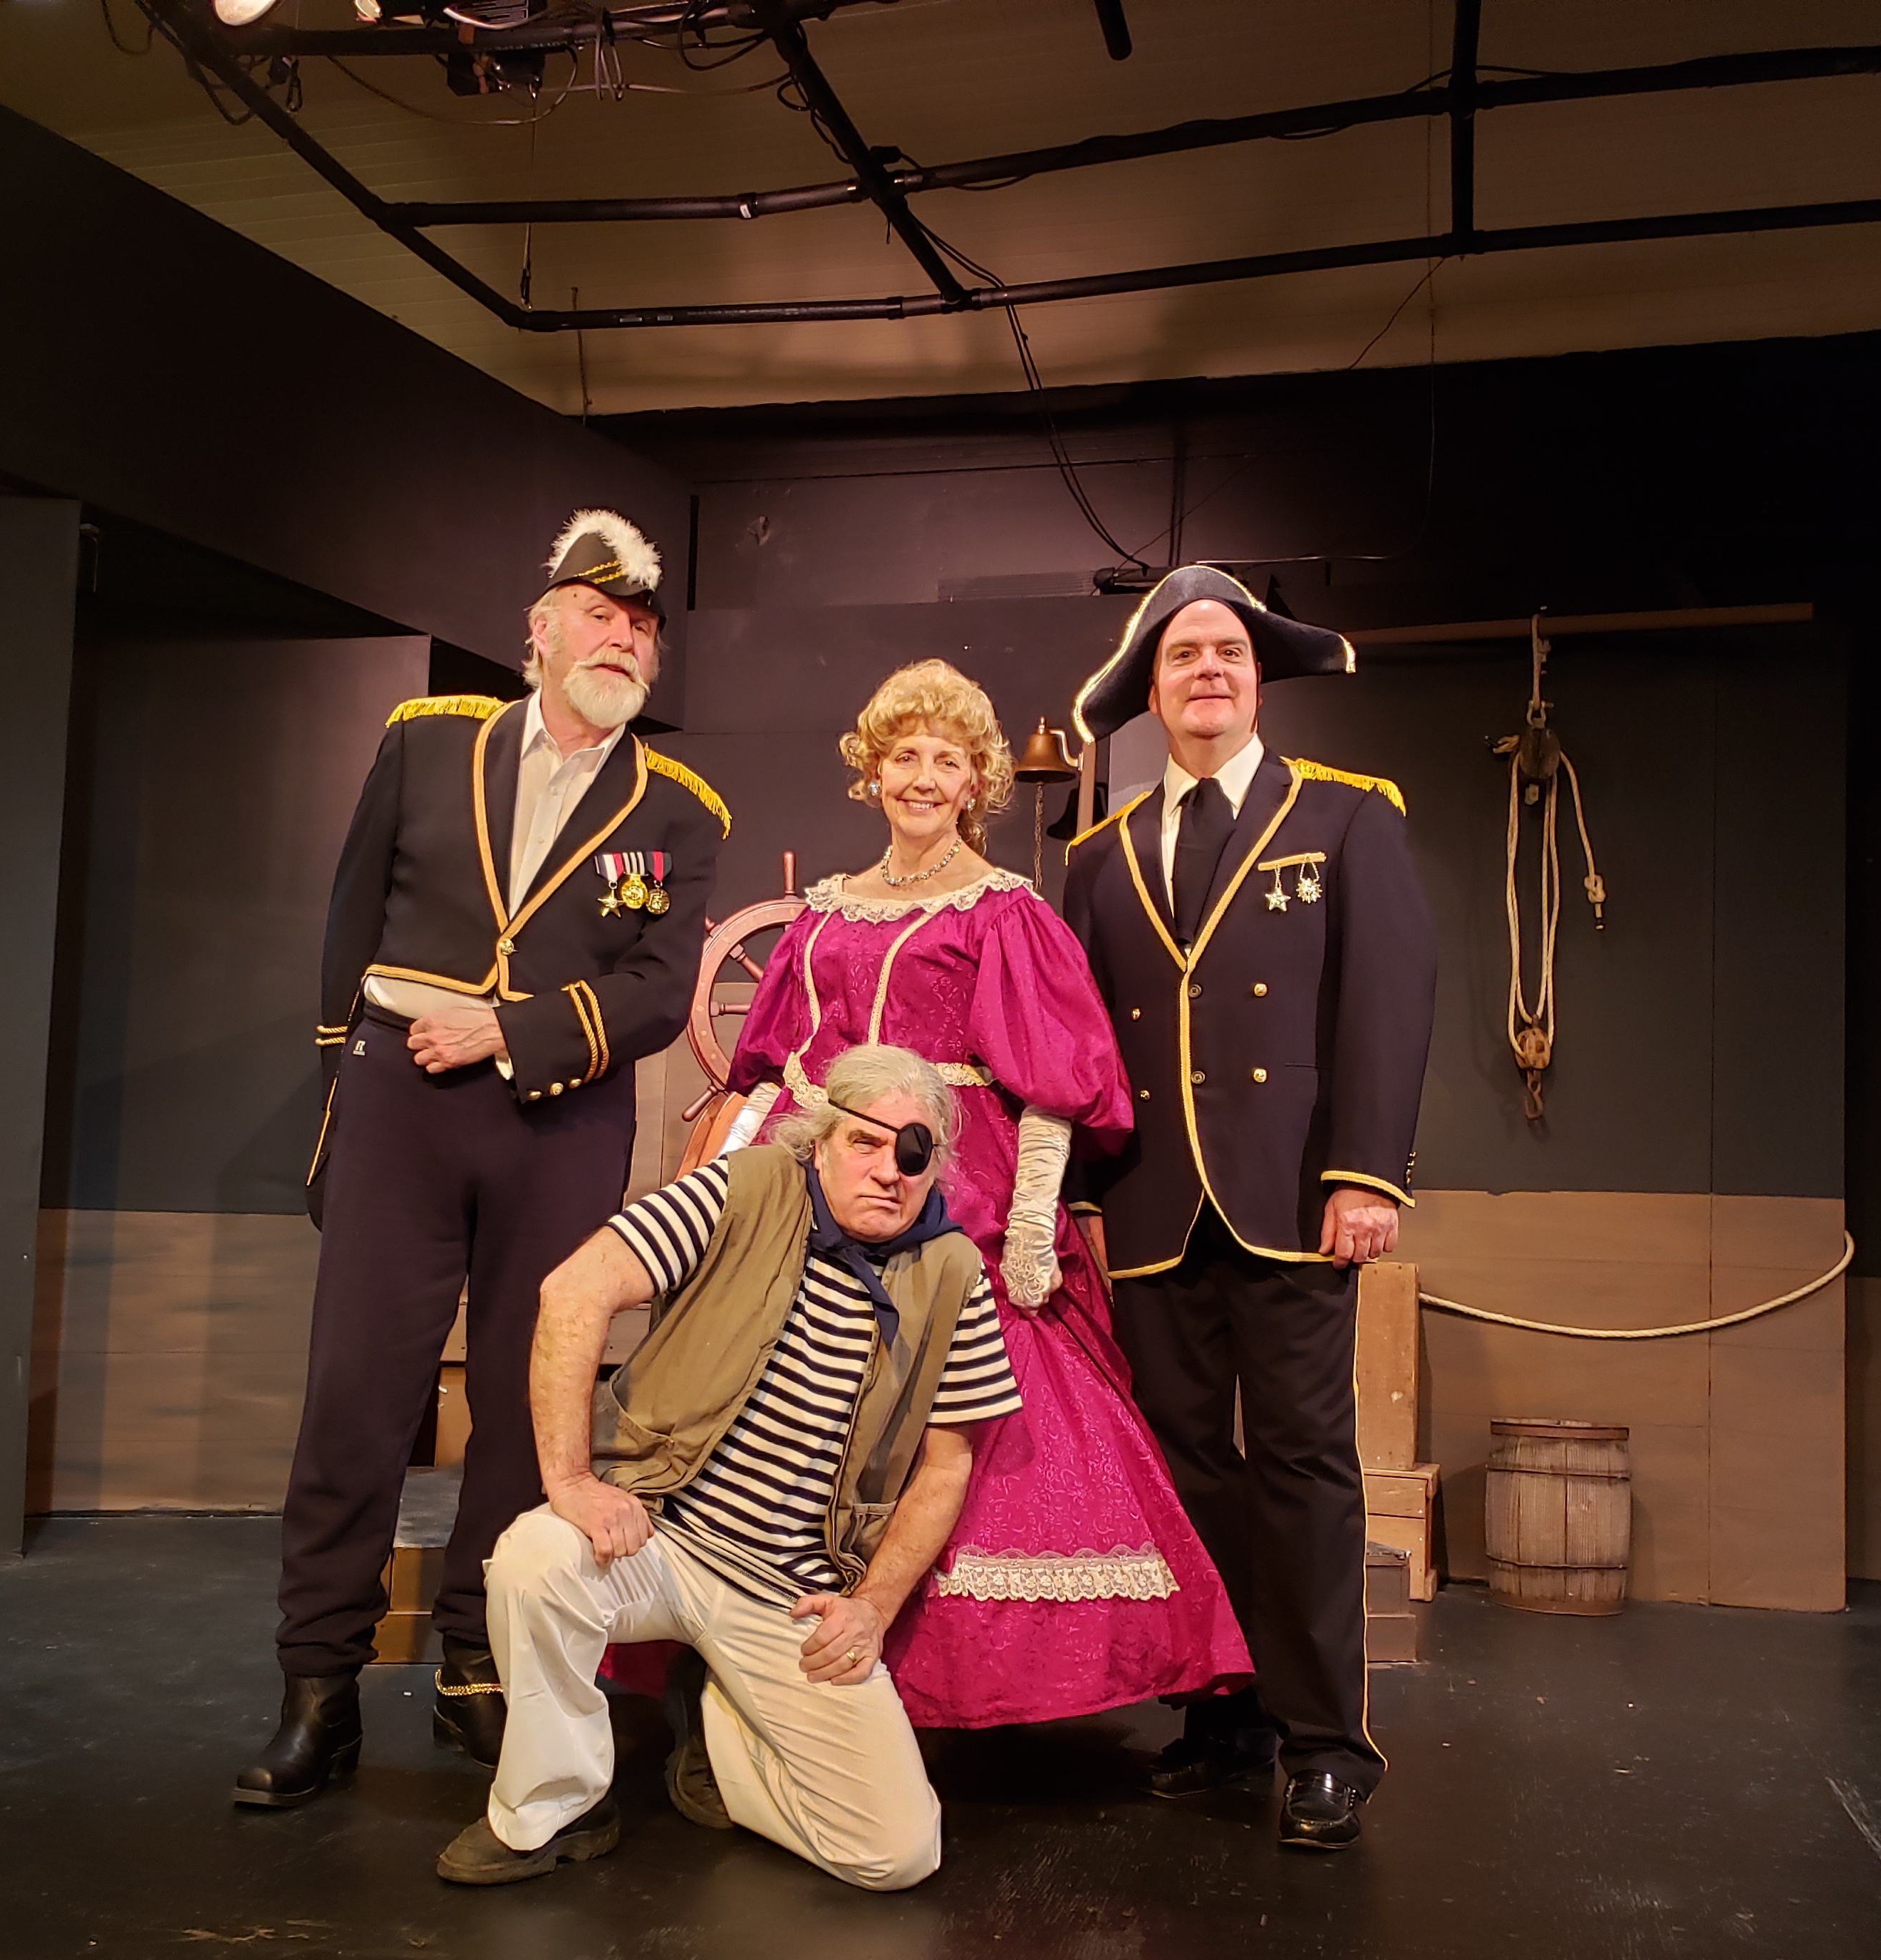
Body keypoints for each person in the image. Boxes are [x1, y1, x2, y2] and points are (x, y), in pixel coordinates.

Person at [235, 509, 731, 1807]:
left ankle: (478, 1658)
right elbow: (349, 924)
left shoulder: (678, 810)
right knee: (357, 1395)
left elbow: (657, 986)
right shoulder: (427, 740)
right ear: (540, 628)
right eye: (599, 614)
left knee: (528, 1398)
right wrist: (344, 1102)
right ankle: (318, 1685)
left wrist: (510, 1030)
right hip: (400, 1101)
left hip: (560, 1117)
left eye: (643, 627)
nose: (622, 638)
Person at [706, 660, 1247, 1728]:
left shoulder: (1004, 912)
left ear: (975, 784)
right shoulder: (822, 913)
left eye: (946, 761)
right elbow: (772, 1073)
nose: (923, 777)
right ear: (872, 772)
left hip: (957, 1182)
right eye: (904, 755)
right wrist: (732, 1186)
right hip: (822, 1180)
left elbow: (1052, 1083)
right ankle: (765, 1637)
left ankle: (953, 1671)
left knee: (972, 1410)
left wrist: (1033, 1223)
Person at [437, 1046, 1017, 1889]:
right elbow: (574, 1291)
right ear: (821, 1140)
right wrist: (570, 1482)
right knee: (534, 1561)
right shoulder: (745, 1187)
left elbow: (946, 1465)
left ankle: (719, 1723)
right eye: (865, 1142)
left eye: (913, 1152)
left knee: (895, 1854)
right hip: (658, 1541)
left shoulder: (952, 1271)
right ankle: (553, 1807)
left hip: (792, 1590)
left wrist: (873, 1606)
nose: (890, 1171)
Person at [1057, 566, 1436, 1852]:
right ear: (1153, 688)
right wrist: (1083, 1195)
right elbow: (1081, 1045)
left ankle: (1327, 1744)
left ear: (1258, 677)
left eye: (1226, 650)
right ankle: (1225, 1717)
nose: (1206, 670)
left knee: (1303, 1465)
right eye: (1182, 655)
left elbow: (1387, 1001)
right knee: (1186, 1473)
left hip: (1291, 1199)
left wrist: (1366, 1170)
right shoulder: (1098, 855)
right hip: (1153, 1207)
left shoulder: (1346, 815)